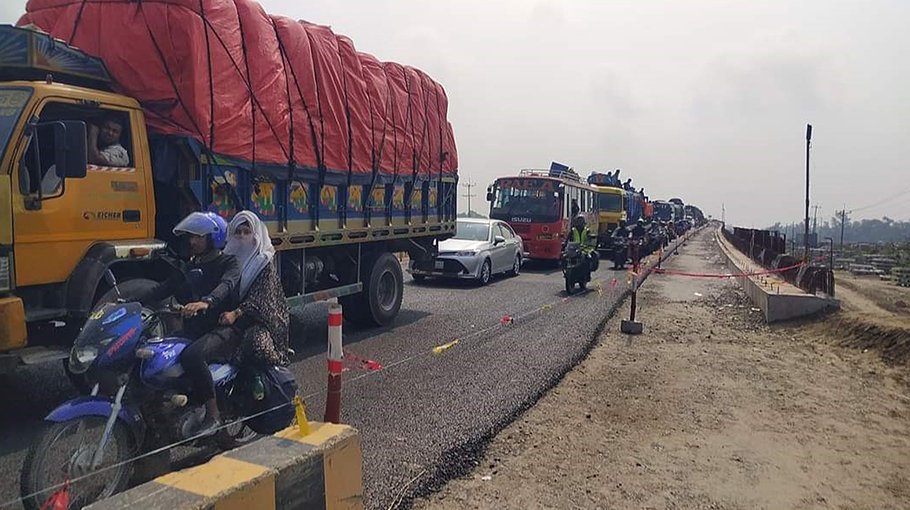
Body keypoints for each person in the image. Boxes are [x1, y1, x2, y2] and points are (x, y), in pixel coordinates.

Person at [140, 211, 239, 436]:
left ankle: (213, 415)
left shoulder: (228, 262)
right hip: (194, 330)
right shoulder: (188, 267)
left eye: (198, 237)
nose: (192, 241)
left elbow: (227, 285)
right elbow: (160, 290)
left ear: (213, 238)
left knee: (191, 356)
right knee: (157, 354)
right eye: (190, 237)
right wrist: (126, 302)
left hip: (223, 330)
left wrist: (207, 302)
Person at [218, 211, 290, 368]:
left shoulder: (263, 262)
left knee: (256, 344)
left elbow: (260, 299)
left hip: (261, 320)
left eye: (247, 232)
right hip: (232, 316)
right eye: (238, 232)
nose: (242, 237)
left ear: (256, 234)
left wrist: (236, 313)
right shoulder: (227, 258)